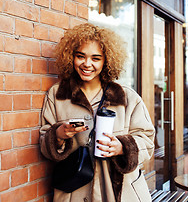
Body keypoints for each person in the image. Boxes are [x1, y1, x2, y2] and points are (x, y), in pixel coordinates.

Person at [40, 23, 155, 202]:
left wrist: (122, 147)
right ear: (71, 57)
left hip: (121, 191)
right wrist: (59, 134)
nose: (87, 64)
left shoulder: (127, 97)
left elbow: (147, 140)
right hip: (74, 191)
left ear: (106, 60)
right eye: (80, 56)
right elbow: (44, 142)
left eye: (96, 58)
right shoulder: (57, 95)